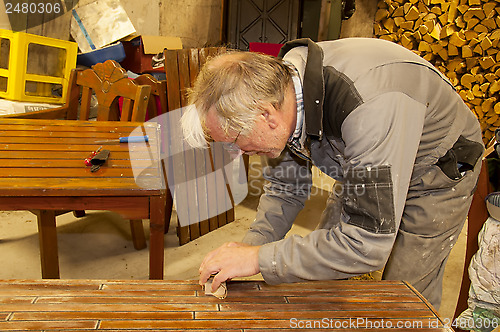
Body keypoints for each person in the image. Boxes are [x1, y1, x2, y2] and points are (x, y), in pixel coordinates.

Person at [181, 37, 484, 310]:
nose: (237, 154)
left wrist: (259, 259)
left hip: (435, 171)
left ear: (266, 115)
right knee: (324, 273)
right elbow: (285, 189)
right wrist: (250, 247)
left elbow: (365, 244)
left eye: (234, 141)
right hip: (366, 160)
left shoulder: (365, 107)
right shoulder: (281, 95)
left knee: (401, 296)